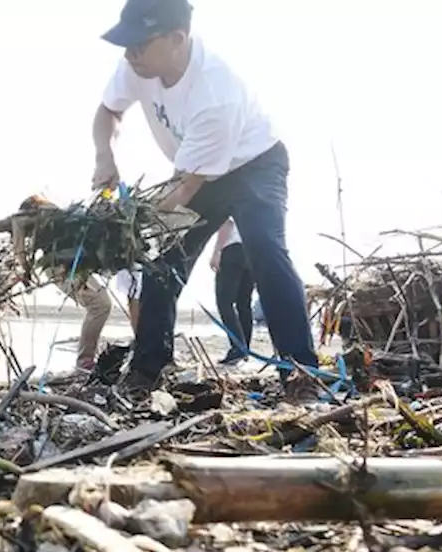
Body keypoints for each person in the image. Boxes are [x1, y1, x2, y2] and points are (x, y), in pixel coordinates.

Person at [92, 0, 317, 389]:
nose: (130, 54)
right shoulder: (135, 65)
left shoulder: (216, 94)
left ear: (177, 39)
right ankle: (150, 367)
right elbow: (108, 112)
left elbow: (184, 189)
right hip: (198, 172)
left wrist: (130, 221)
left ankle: (302, 371)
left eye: (140, 44)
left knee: (264, 249)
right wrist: (104, 156)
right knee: (165, 263)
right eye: (126, 44)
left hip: (254, 165)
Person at [19, 195, 112, 371]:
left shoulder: (60, 218)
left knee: (100, 305)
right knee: (99, 305)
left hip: (70, 266)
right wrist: (27, 272)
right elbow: (24, 251)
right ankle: (85, 360)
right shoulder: (39, 222)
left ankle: (86, 358)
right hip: (60, 268)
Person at [209, 219, 254, 364]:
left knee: (224, 302)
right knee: (244, 304)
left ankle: (238, 348)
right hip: (251, 251)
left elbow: (227, 223)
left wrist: (217, 251)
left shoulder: (233, 197)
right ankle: (244, 348)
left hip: (233, 250)